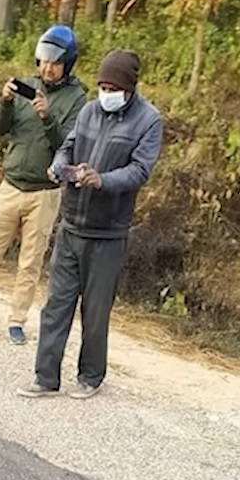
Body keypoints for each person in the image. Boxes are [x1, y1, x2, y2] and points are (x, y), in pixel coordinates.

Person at [17, 49, 164, 400]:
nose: (105, 93)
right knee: (56, 305)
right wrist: (59, 166)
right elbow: (67, 147)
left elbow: (140, 169)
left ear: (129, 88)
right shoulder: (88, 111)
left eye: (112, 87)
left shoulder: (148, 120)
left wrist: (103, 180)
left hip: (108, 232)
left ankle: (90, 377)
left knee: (95, 313)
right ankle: (45, 377)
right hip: (72, 224)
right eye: (101, 85)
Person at [0, 25, 88, 346]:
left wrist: (47, 117)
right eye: (42, 61)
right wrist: (6, 102)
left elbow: (69, 145)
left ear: (68, 63)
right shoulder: (29, 86)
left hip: (44, 191)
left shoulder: (78, 99)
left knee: (30, 261)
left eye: (54, 62)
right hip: (11, 185)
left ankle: (16, 320)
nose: (47, 68)